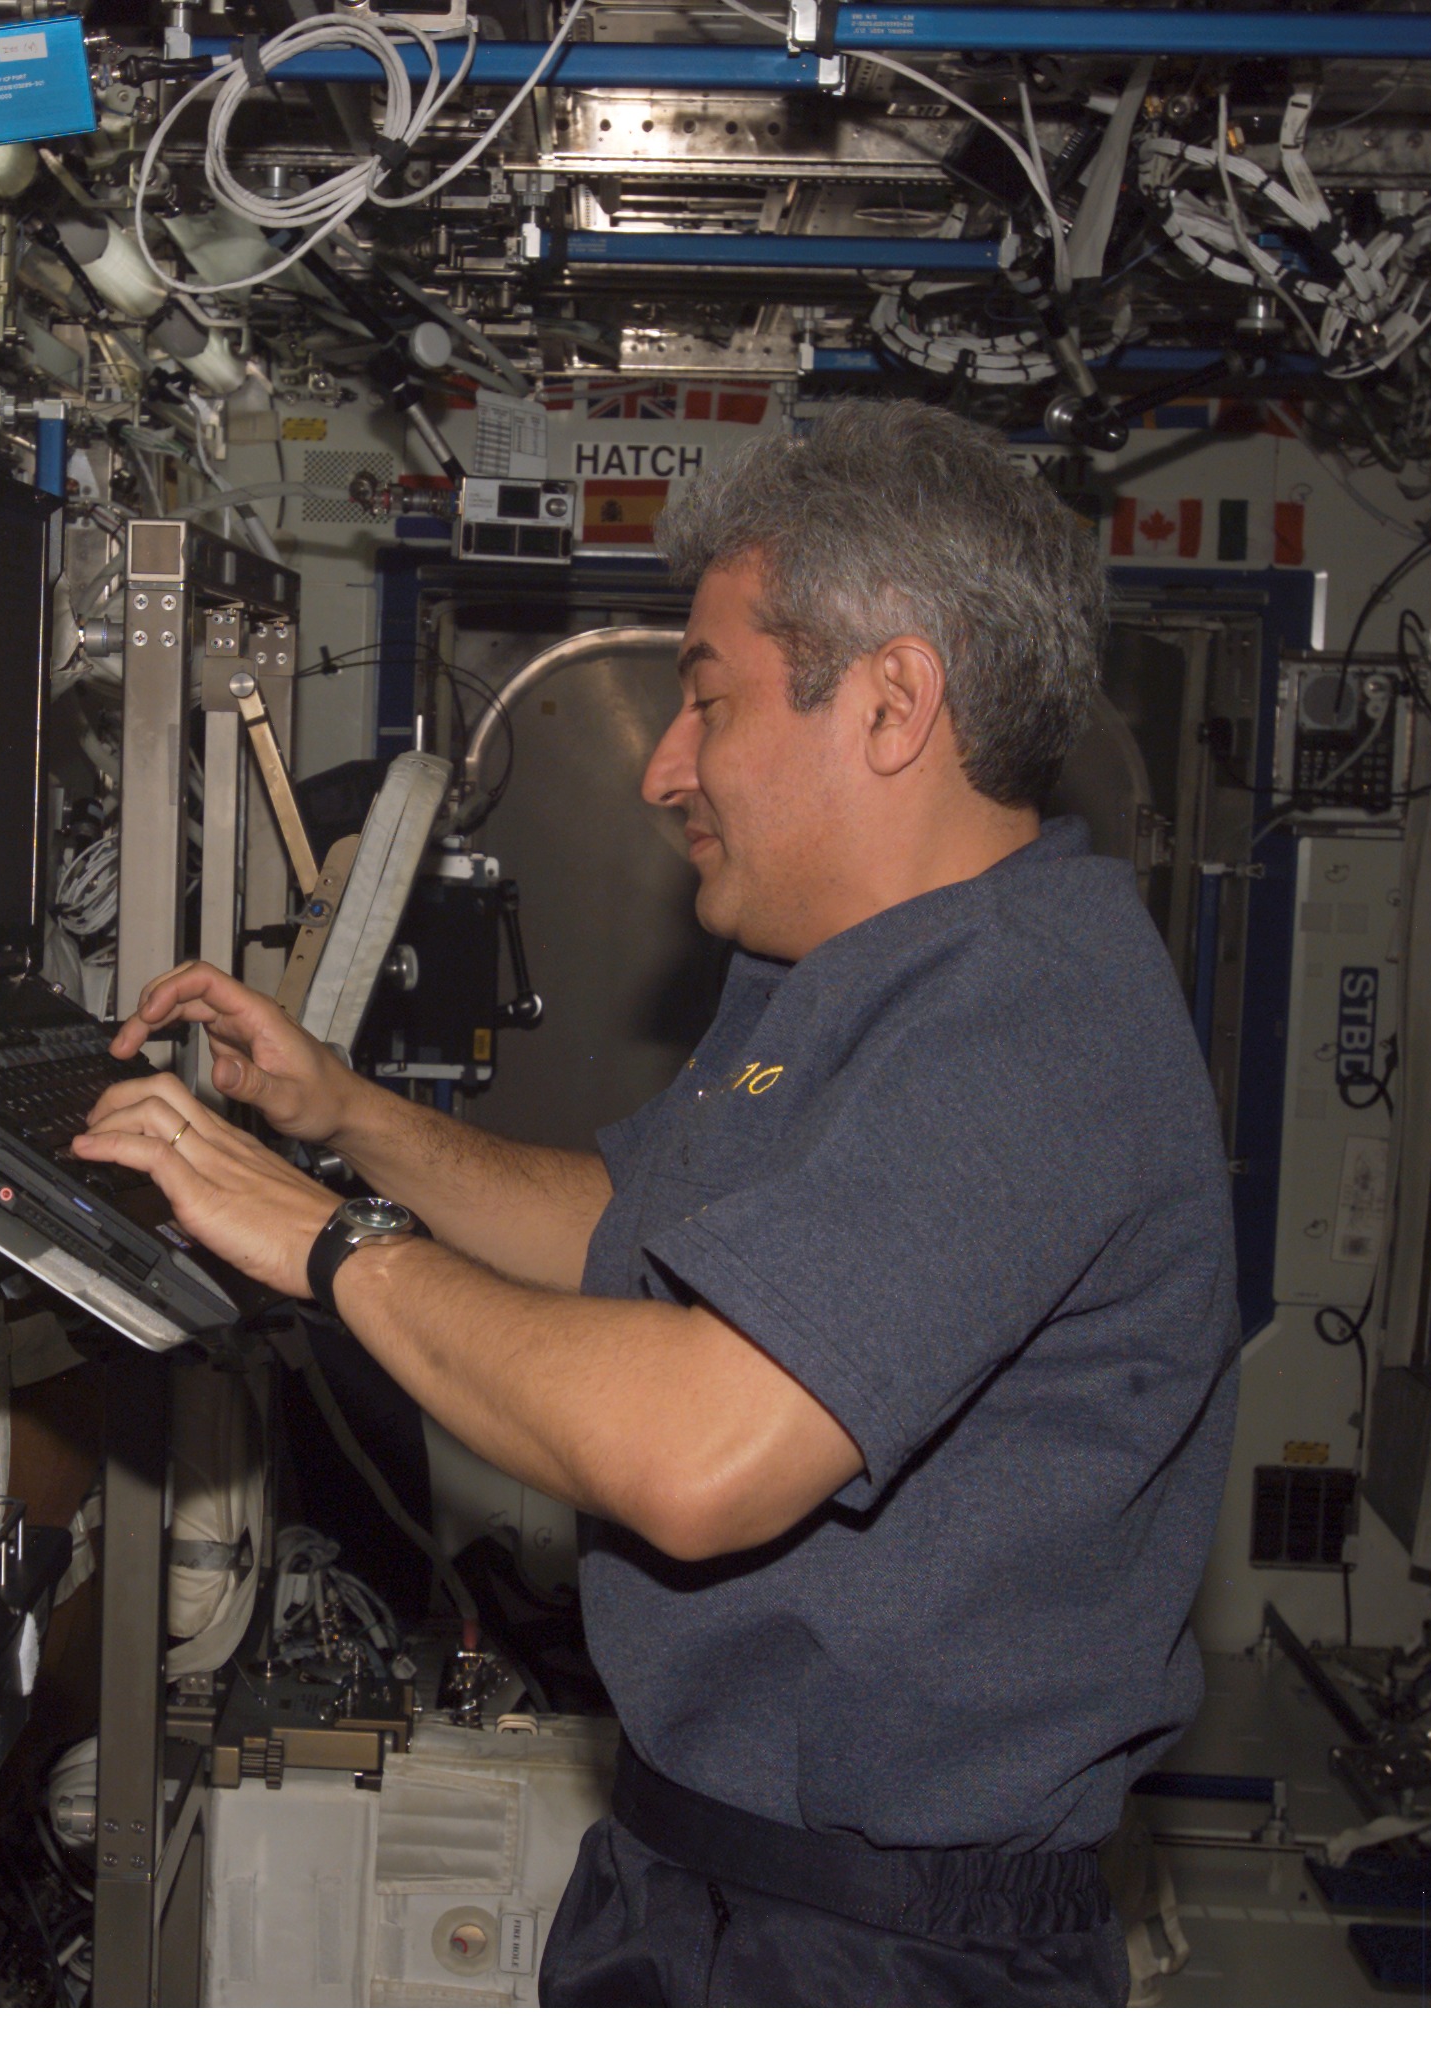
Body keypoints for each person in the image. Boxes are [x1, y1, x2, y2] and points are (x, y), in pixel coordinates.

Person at [69, 398, 1238, 2007]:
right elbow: (628, 1230)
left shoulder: (1036, 1014)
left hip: (890, 1948)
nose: (665, 769)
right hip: (690, 1871)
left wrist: (322, 1239)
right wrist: (344, 1117)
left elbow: (702, 1457)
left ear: (895, 702)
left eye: (708, 699)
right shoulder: (830, 972)